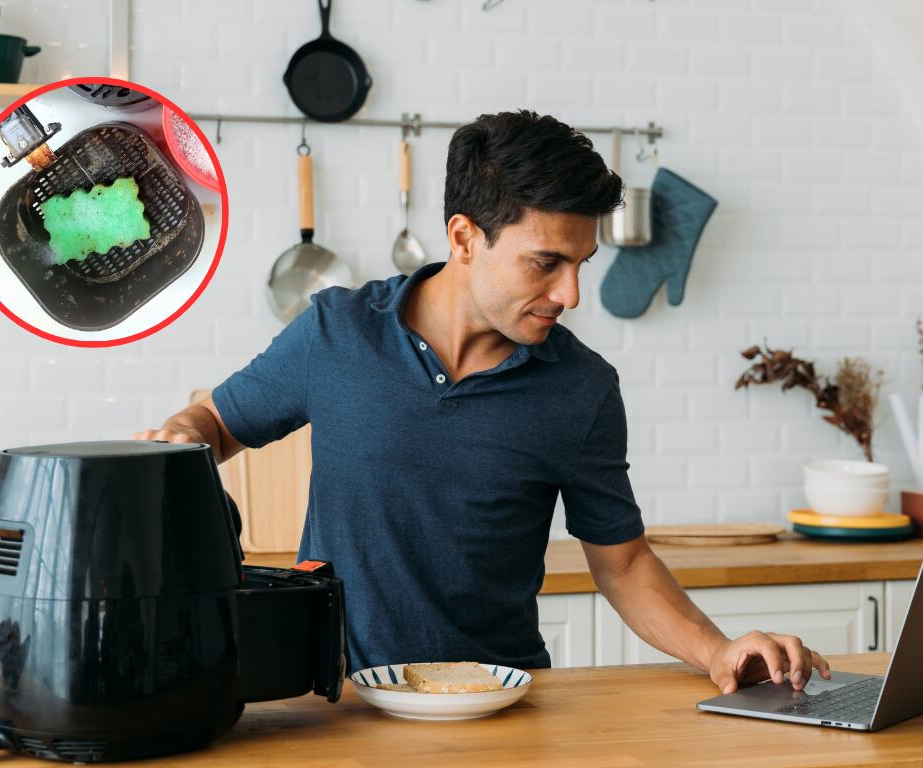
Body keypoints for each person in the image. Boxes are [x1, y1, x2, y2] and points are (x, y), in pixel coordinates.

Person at [136, 110, 831, 695]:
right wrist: (180, 436)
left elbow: (622, 563)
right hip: (338, 700)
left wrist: (715, 651)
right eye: (545, 263)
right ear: (465, 238)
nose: (571, 296)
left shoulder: (581, 390)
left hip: (496, 705)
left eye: (580, 264)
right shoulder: (335, 332)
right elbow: (219, 423)